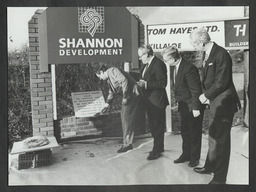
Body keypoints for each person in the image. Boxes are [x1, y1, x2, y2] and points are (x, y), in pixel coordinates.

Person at [189, 27, 241, 184]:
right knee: (213, 136)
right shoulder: (208, 53)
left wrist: (206, 96)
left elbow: (222, 82)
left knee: (221, 142)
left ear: (201, 41)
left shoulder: (221, 54)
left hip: (223, 104)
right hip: (214, 103)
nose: (194, 48)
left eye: (194, 44)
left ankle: (219, 178)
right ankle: (209, 166)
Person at [162, 45, 204, 168]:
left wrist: (196, 108)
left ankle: (194, 158)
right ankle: (186, 154)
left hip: (193, 106)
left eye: (166, 60)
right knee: (185, 132)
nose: (166, 62)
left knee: (194, 132)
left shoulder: (189, 68)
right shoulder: (176, 67)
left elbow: (196, 90)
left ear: (174, 58)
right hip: (184, 105)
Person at [96, 65, 142, 153]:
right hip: (130, 95)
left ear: (101, 72)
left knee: (126, 118)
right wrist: (106, 105)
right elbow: (111, 92)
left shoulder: (112, 70)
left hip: (132, 95)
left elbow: (124, 80)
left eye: (99, 77)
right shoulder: (109, 77)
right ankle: (127, 141)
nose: (100, 79)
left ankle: (127, 144)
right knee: (125, 117)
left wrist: (125, 97)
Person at [137, 44, 169, 160]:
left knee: (157, 126)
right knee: (153, 126)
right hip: (150, 101)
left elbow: (162, 83)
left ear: (147, 54)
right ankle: (159, 147)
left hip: (157, 101)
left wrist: (146, 84)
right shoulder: (145, 65)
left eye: (141, 56)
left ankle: (156, 150)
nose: (140, 58)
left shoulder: (158, 64)